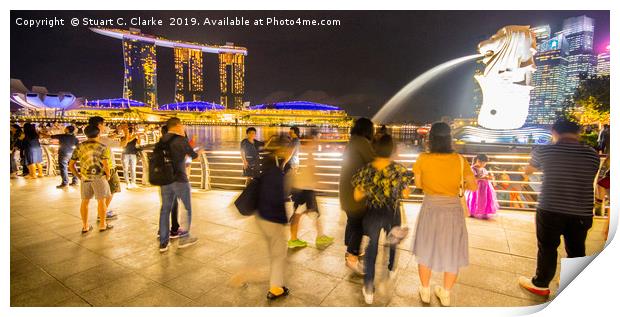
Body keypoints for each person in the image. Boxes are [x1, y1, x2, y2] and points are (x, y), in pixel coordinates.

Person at [518, 119, 600, 297]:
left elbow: (528, 171)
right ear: (578, 133)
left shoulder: (545, 150)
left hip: (550, 208)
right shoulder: (592, 154)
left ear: (554, 132)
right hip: (582, 211)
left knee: (547, 247)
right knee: (577, 249)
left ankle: (540, 284)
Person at [412, 122, 477, 306]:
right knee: (452, 251)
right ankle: (446, 294)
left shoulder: (423, 159)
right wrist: (457, 184)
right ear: (449, 138)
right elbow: (473, 185)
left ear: (430, 138)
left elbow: (418, 184)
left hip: (431, 208)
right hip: (452, 210)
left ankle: (425, 290)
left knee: (426, 249)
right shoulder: (459, 160)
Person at [352, 134, 411, 304]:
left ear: (374, 148)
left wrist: (371, 189)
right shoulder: (399, 169)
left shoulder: (367, 169)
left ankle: (369, 288)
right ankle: (392, 268)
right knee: (393, 241)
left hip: (372, 213)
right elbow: (405, 194)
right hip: (392, 212)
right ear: (392, 150)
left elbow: (357, 196)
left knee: (371, 249)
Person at [339, 117, 375, 275]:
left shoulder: (352, 141)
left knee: (353, 222)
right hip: (356, 192)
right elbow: (374, 163)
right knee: (359, 225)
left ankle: (351, 251)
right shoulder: (362, 142)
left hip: (347, 190)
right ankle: (352, 258)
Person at [158, 118, 200, 252]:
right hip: (180, 179)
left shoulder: (162, 140)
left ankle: (164, 243)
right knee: (187, 208)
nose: (183, 127)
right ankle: (184, 238)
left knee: (165, 210)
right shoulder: (181, 140)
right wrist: (200, 152)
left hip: (165, 180)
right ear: (176, 126)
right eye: (181, 125)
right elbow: (194, 155)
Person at [287, 130, 334, 250]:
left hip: (300, 187)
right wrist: (320, 183)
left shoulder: (300, 150)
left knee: (305, 213)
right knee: (310, 213)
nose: (315, 141)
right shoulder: (308, 153)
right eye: (314, 140)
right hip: (306, 189)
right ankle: (318, 237)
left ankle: (299, 238)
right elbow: (311, 170)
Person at [256, 150, 290, 300]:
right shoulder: (277, 175)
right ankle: (275, 288)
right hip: (273, 220)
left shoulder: (264, 172)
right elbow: (278, 200)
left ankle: (278, 283)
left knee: (274, 252)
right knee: (279, 255)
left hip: (261, 218)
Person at [68, 125, 113, 233]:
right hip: (99, 177)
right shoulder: (103, 147)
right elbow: (106, 164)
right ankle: (102, 224)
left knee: (85, 202)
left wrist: (78, 176)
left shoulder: (79, 147)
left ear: (86, 134)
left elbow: (71, 165)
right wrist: (108, 174)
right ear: (98, 134)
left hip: (85, 178)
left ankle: (85, 226)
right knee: (101, 201)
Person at [88, 116, 119, 220]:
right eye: (103, 124)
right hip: (108, 168)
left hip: (95, 169)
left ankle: (101, 213)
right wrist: (127, 133)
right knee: (111, 191)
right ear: (99, 125)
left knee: (102, 194)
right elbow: (123, 144)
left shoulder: (89, 140)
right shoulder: (103, 140)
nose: (105, 126)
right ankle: (102, 214)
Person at [465, 154, 499, 219]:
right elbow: (474, 177)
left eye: (485, 163)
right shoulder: (472, 168)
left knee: (484, 199)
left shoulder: (483, 169)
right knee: (474, 199)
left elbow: (486, 175)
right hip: (476, 186)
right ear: (478, 161)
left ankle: (484, 211)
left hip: (485, 187)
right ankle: (472, 211)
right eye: (482, 162)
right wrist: (483, 177)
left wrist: (489, 177)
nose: (483, 164)